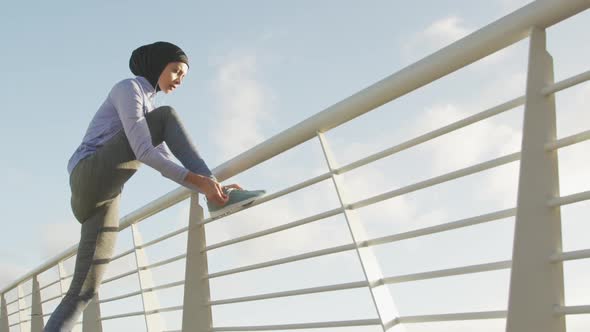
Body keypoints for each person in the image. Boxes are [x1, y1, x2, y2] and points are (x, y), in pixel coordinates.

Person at [44, 41, 264, 331]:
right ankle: (216, 195)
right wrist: (204, 181)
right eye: (175, 71)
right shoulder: (128, 89)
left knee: (84, 290)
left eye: (183, 76)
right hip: (89, 175)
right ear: (158, 65)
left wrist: (211, 185)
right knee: (167, 117)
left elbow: (164, 158)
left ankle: (217, 195)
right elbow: (144, 152)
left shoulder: (151, 107)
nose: (178, 79)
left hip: (104, 195)